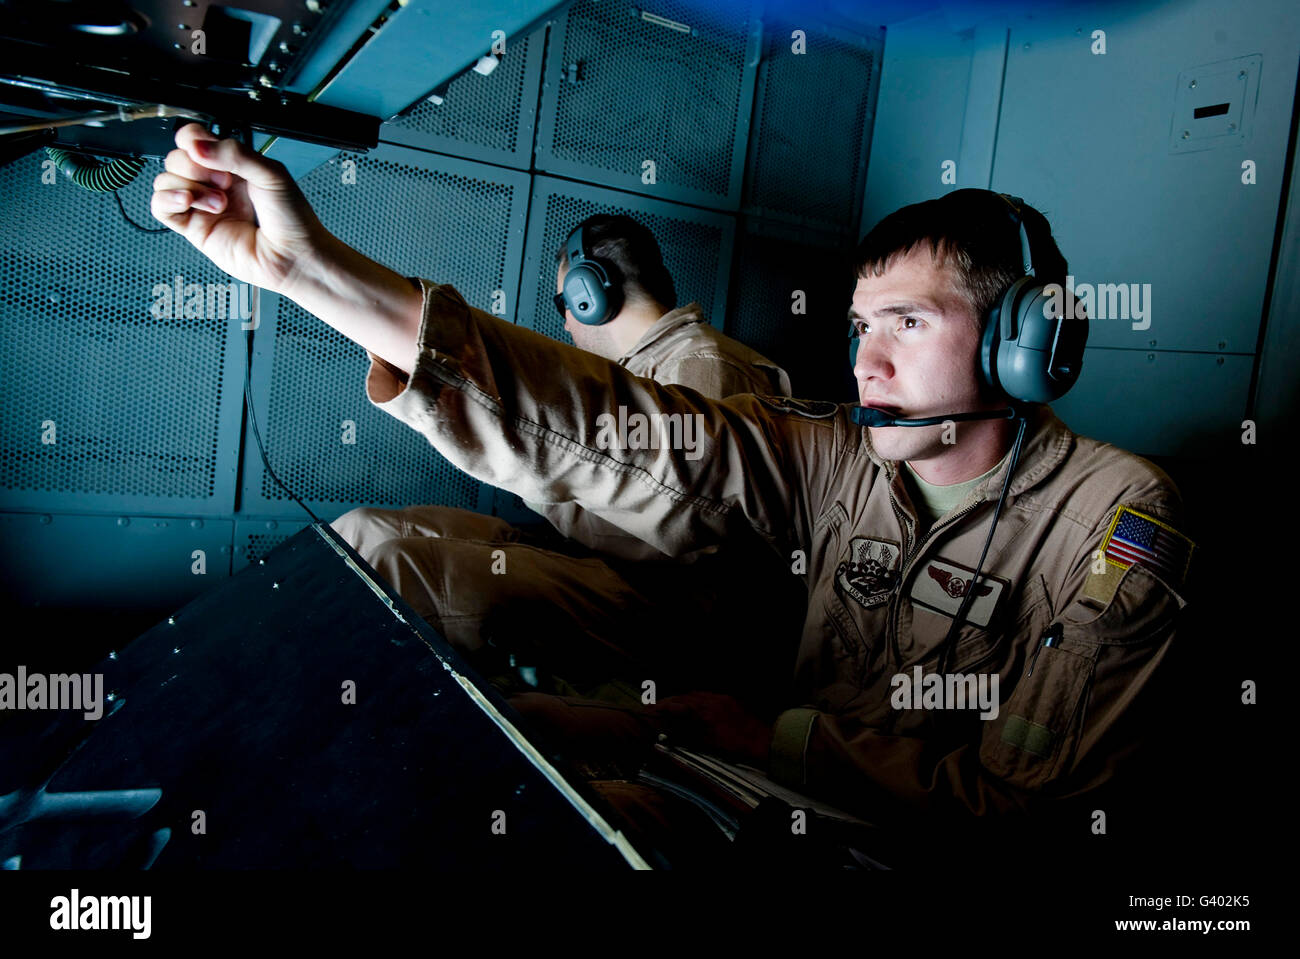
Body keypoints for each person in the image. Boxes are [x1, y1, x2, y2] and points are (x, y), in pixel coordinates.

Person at [152, 123, 1193, 864]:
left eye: (907, 324)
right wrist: (307, 270)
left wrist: (745, 733)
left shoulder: (1108, 518)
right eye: (859, 326)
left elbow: (1027, 811)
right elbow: (627, 439)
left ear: (1028, 342)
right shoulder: (845, 454)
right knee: (480, 762)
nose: (867, 361)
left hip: (891, 841)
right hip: (749, 762)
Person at [328, 214, 796, 703]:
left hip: (668, 605)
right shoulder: (637, 369)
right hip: (599, 560)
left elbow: (685, 534)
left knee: (402, 570)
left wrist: (544, 470)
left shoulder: (702, 364)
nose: (566, 320)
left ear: (587, 295)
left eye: (563, 304)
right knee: (362, 532)